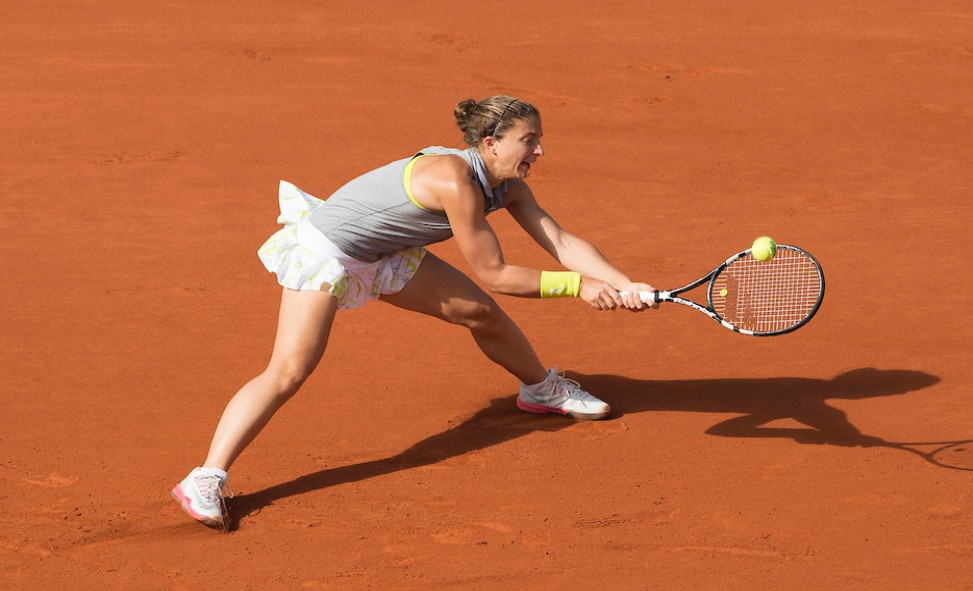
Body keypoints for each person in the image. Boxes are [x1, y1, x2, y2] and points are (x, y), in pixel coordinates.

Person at [171, 96, 654, 530]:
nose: (540, 152)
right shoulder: (454, 180)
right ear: (491, 143)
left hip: (385, 250)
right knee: (289, 370)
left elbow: (562, 242)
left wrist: (621, 281)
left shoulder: (508, 186)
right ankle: (206, 477)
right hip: (330, 250)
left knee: (480, 315)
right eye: (529, 141)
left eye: (540, 140)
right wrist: (579, 287)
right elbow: (496, 273)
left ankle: (541, 390)